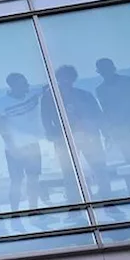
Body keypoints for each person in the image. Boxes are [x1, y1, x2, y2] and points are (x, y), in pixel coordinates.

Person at [41, 65, 111, 199]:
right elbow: (45, 118)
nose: (66, 80)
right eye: (62, 77)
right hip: (64, 139)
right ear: (58, 79)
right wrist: (52, 134)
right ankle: (77, 200)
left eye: (69, 77)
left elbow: (98, 115)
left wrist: (105, 132)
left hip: (89, 136)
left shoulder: (84, 95)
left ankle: (107, 197)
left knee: (99, 166)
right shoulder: (49, 97)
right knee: (69, 172)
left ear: (73, 78)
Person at [0, 73, 44, 212]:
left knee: (33, 179)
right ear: (13, 86)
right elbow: (2, 127)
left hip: (32, 145)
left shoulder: (32, 94)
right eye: (23, 84)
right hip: (13, 148)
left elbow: (50, 87)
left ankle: (33, 210)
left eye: (26, 83)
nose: (27, 86)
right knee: (16, 181)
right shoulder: (1, 104)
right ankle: (15, 212)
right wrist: (12, 146)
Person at [95, 58, 130, 195]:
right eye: (102, 70)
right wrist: (108, 130)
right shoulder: (101, 90)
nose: (105, 72)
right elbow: (105, 110)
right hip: (121, 130)